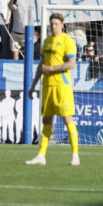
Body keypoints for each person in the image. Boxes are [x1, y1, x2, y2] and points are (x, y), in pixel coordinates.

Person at [25, 13, 79, 166]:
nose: (54, 26)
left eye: (56, 24)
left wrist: (52, 68)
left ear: (62, 24)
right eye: (52, 24)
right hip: (47, 86)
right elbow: (41, 66)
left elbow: (71, 64)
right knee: (46, 120)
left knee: (67, 119)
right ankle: (41, 155)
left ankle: (75, 155)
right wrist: (33, 86)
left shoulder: (68, 41)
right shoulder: (47, 41)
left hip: (62, 86)